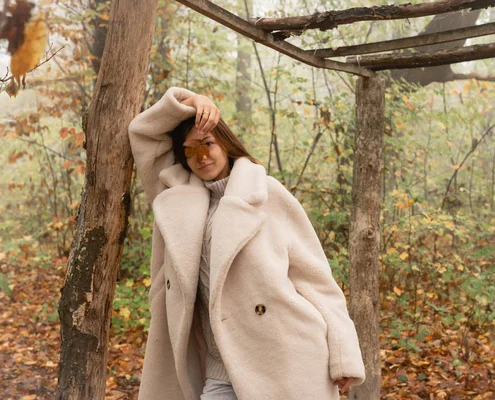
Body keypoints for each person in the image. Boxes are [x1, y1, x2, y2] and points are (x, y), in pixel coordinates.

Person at [128, 87, 366, 400]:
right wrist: (192, 102)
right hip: (217, 368)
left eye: (208, 143)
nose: (201, 156)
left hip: (281, 357)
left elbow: (316, 279)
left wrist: (343, 353)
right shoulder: (175, 196)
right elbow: (142, 133)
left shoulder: (268, 194)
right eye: (190, 150)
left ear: (225, 142)